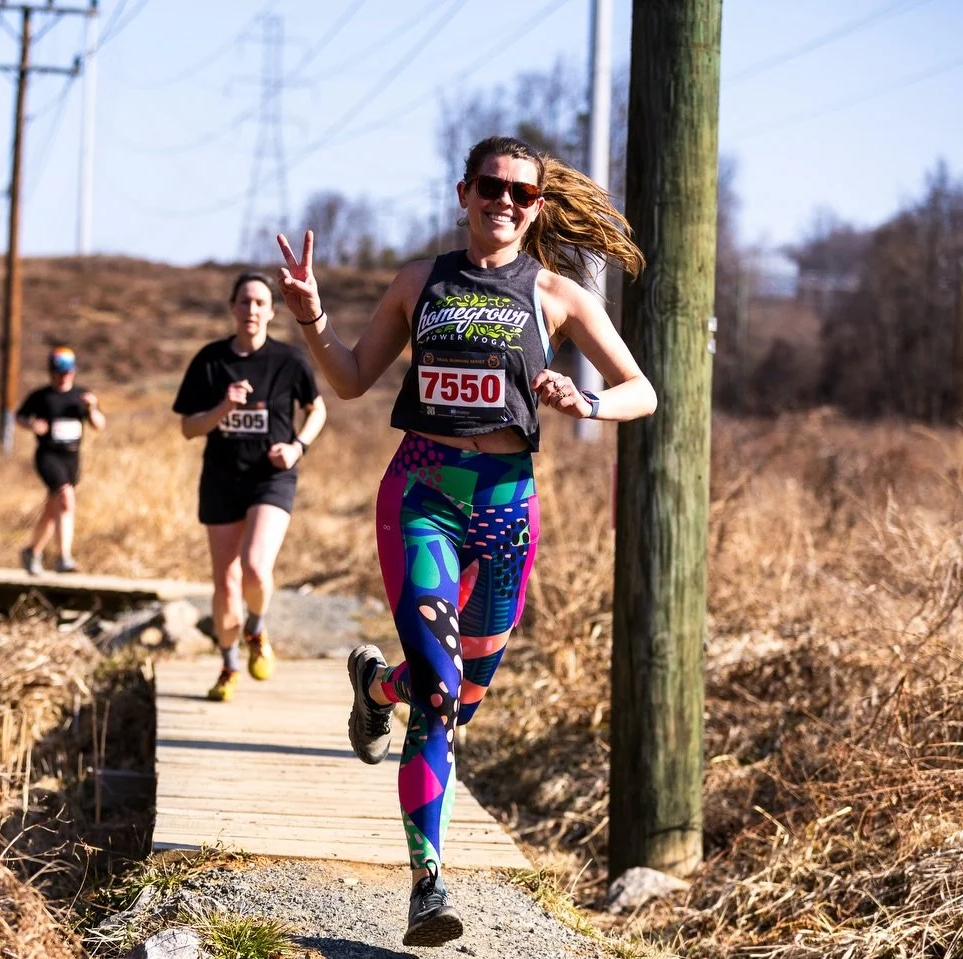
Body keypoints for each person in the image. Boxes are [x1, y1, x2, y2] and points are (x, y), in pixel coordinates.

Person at [275, 135, 657, 946]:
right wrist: (310, 314)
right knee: (441, 699)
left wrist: (586, 405)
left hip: (506, 512)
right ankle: (427, 884)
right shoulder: (420, 280)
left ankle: (378, 688)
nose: (507, 202)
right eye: (493, 186)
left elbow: (642, 391)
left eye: (523, 193)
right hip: (421, 496)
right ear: (464, 190)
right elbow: (348, 378)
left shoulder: (556, 294)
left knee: (462, 697)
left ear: (539, 206)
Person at [173, 273, 328, 703]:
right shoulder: (210, 360)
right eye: (245, 302)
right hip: (222, 480)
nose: (252, 310)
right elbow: (188, 427)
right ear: (232, 308)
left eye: (261, 303)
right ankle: (228, 663)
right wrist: (224, 406)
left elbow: (317, 409)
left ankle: (256, 629)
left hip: (271, 477)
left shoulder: (289, 361)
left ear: (271, 312)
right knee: (224, 584)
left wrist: (298, 447)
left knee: (255, 567)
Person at [17, 346, 105, 574]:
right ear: (51, 372)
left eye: (67, 372)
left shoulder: (82, 397)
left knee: (53, 508)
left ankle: (32, 551)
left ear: (73, 372)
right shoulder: (42, 396)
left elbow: (98, 425)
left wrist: (92, 408)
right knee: (66, 498)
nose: (63, 376)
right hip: (48, 456)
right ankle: (63, 557)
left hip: (72, 457)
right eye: (58, 372)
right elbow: (20, 416)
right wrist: (32, 425)